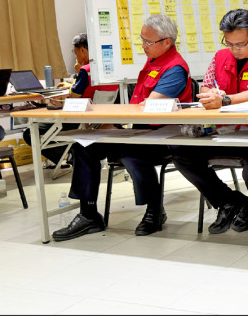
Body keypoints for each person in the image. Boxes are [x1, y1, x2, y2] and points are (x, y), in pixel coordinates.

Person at [52, 15, 193, 242]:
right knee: (84, 147)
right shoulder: (153, 62)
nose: (143, 46)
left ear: (167, 42)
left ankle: (154, 210)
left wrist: (121, 123)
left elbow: (149, 106)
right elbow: (138, 106)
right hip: (138, 130)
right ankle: (88, 214)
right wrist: (116, 124)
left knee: (133, 153)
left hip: (164, 134)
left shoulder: (175, 68)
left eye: (148, 42)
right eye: (142, 41)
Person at [168, 9, 248, 234]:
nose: (234, 50)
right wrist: (208, 95)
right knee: (182, 155)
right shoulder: (220, 57)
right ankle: (228, 200)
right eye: (229, 43)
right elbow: (207, 85)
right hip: (226, 131)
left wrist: (225, 100)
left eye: (240, 44)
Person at [22, 33, 92, 166]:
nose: (75, 55)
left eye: (75, 51)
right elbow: (85, 88)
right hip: (94, 119)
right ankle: (70, 152)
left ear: (82, 50)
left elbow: (74, 96)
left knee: (30, 132)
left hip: (78, 119)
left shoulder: (84, 70)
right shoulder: (99, 69)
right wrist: (73, 84)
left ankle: (68, 153)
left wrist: (78, 71)